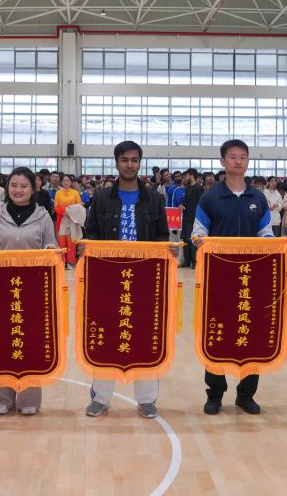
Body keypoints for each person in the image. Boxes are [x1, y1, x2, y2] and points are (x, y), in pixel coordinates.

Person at [83, 141, 170, 420]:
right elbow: (91, 233)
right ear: (116, 162)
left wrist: (164, 254)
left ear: (140, 163)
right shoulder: (102, 198)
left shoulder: (153, 198)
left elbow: (161, 236)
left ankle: (147, 399)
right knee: (106, 335)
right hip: (108, 278)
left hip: (144, 278)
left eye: (134, 160)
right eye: (124, 160)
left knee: (145, 335)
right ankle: (100, 398)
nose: (129, 165)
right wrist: (92, 251)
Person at [191, 140, 277, 416]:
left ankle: (246, 394)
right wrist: (200, 241)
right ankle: (215, 393)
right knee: (216, 332)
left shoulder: (258, 198)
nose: (238, 161)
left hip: (253, 279)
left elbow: (266, 234)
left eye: (243, 157)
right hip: (219, 277)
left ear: (248, 161)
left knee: (252, 333)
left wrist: (277, 245)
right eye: (232, 157)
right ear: (222, 162)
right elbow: (198, 232)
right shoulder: (210, 197)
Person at [0, 167, 59, 416]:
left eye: (23, 186)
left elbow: (50, 244)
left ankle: (29, 398)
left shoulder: (43, 216)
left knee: (30, 342)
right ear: (7, 187)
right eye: (13, 185)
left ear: (33, 189)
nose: (18, 190)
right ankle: (0, 398)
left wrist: (51, 249)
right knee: (1, 341)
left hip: (33, 290)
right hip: (0, 289)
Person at [53, 174, 82, 267]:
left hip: (72, 220)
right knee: (61, 241)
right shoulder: (58, 193)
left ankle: (70, 261)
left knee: (71, 242)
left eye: (67, 181)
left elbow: (79, 206)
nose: (65, 182)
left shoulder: (75, 193)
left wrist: (70, 212)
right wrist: (64, 212)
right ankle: (62, 261)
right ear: (61, 182)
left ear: (71, 182)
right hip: (61, 219)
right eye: (64, 181)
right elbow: (56, 207)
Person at [180, 169, 204, 268]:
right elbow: (185, 202)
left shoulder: (199, 188)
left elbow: (201, 204)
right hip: (186, 217)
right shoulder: (188, 188)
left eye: (187, 176)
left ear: (191, 175)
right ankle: (187, 261)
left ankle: (195, 261)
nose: (185, 178)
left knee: (193, 239)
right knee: (185, 239)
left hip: (194, 217)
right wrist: (182, 205)